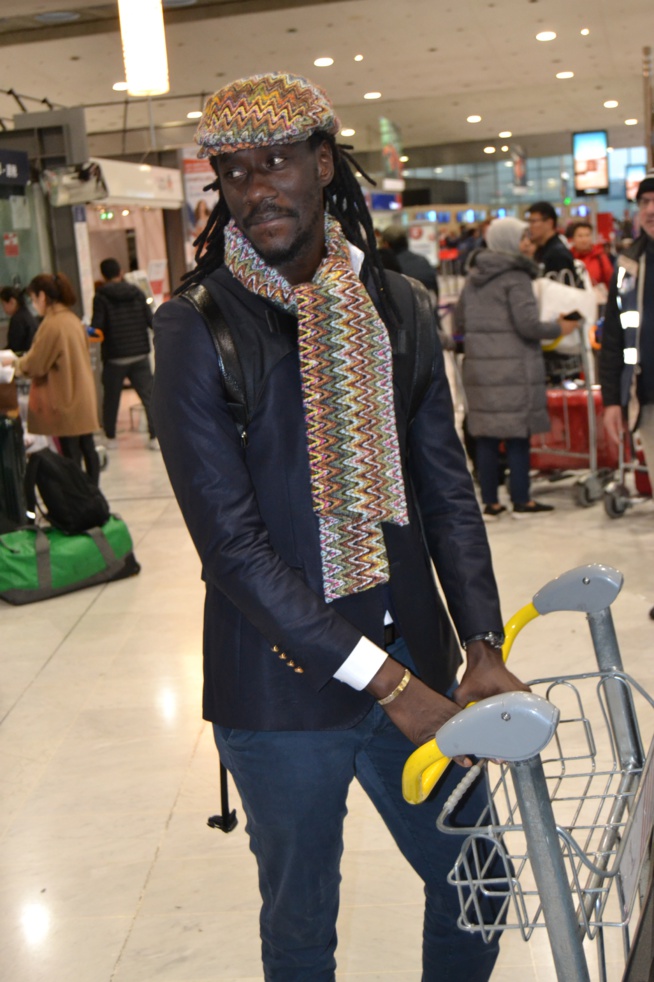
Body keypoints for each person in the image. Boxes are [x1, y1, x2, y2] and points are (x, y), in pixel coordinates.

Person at [152, 71, 527, 982]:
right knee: (301, 928)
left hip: (422, 666)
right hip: (280, 700)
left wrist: (478, 637)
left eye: (278, 161)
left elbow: (445, 488)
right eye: (234, 172)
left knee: (479, 880)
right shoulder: (195, 327)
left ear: (324, 163)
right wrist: (388, 681)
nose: (257, 188)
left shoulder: (395, 304)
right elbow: (233, 550)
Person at [456, 217, 579, 518]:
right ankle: (522, 498)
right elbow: (528, 325)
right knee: (517, 436)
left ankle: (491, 502)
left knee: (486, 436)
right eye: (523, 238)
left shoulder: (473, 277)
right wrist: (559, 327)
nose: (529, 243)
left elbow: (459, 322)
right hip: (513, 370)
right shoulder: (516, 277)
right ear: (509, 242)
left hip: (480, 370)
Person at [16, 272, 100, 483]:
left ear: (42, 296)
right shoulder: (71, 319)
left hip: (64, 400)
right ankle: (93, 499)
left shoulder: (52, 324)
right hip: (81, 397)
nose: (34, 305)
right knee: (87, 449)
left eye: (34, 299)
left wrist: (15, 364)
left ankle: (79, 502)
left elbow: (35, 364)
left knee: (70, 458)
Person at [600, 170, 654, 492]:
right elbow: (614, 338)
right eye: (645, 201)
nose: (650, 209)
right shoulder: (628, 266)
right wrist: (612, 401)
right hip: (648, 402)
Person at [91, 258, 158, 450]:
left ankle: (110, 437)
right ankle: (155, 437)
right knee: (149, 396)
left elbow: (98, 326)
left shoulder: (100, 297)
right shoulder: (136, 292)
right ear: (120, 272)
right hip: (139, 354)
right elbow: (150, 320)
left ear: (103, 275)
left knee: (111, 398)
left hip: (115, 356)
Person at [381, 224, 439, 297]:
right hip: (429, 305)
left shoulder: (389, 266)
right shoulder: (423, 260)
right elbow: (434, 290)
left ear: (386, 244)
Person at [527, 200, 577, 279]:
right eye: (529, 222)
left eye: (533, 221)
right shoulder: (542, 249)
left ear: (549, 223)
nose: (529, 226)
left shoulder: (558, 255)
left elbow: (563, 289)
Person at [569, 221, 614, 292]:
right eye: (580, 236)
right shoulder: (568, 258)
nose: (584, 240)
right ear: (573, 238)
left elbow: (611, 281)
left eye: (587, 235)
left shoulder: (600, 257)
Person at [1, 286, 38, 352]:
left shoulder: (17, 320)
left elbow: (14, 347)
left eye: (3, 304)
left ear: (12, 302)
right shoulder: (26, 314)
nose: (3, 309)